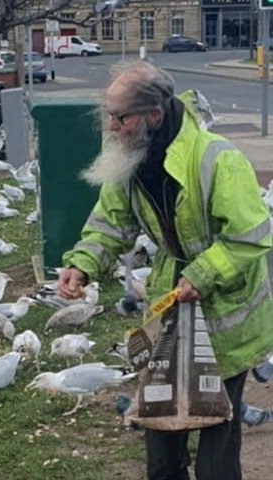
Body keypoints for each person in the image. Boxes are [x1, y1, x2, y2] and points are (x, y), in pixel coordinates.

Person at [56, 60, 273, 480]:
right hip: (171, 312)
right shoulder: (131, 158)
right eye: (109, 116)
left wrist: (204, 274)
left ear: (153, 115)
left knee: (217, 451)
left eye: (121, 117)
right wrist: (81, 265)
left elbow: (252, 236)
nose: (112, 126)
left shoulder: (217, 159)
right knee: (160, 443)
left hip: (227, 319)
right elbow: (111, 222)